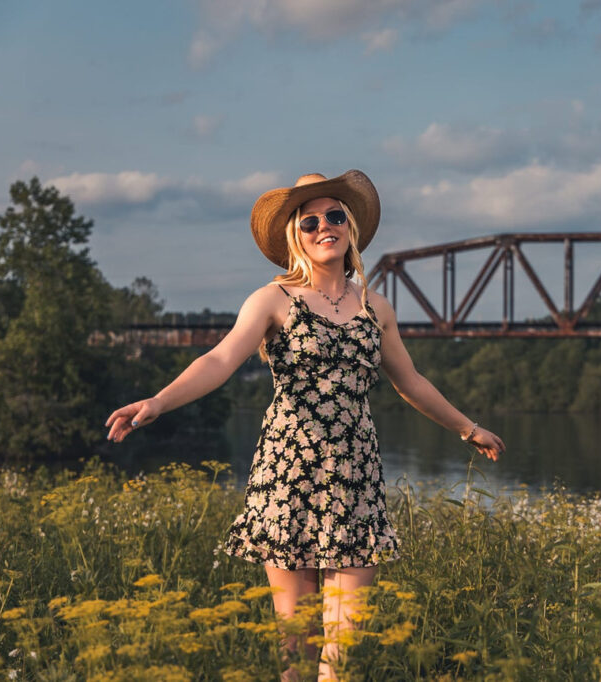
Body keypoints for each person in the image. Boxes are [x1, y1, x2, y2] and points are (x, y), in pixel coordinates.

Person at [105, 170, 506, 681]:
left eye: (335, 216)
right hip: (288, 476)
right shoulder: (272, 299)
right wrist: (158, 401)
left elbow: (411, 381)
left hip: (356, 479)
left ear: (350, 228)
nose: (324, 227)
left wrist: (469, 429)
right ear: (295, 233)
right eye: (309, 220)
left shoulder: (375, 307)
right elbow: (219, 359)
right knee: (296, 650)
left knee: (344, 654)